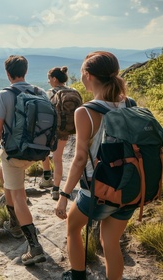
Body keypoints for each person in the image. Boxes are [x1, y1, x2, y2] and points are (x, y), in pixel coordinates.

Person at [55, 51, 136, 280]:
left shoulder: (86, 112)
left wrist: (64, 194)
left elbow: (80, 159)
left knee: (72, 228)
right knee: (110, 243)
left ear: (88, 76)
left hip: (98, 190)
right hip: (128, 186)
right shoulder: (129, 103)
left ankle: (77, 276)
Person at [0, 55, 47, 266]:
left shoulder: (4, 94)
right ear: (26, 70)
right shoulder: (40, 92)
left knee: (19, 196)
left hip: (14, 154)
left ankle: (34, 247)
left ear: (7, 73)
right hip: (36, 152)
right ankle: (14, 221)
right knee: (8, 180)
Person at [39, 66, 80, 200]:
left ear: (55, 79)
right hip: (65, 129)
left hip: (50, 129)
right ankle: (56, 190)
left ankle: (46, 177)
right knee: (58, 159)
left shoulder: (50, 93)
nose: (48, 81)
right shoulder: (74, 91)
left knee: (44, 152)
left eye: (49, 78)